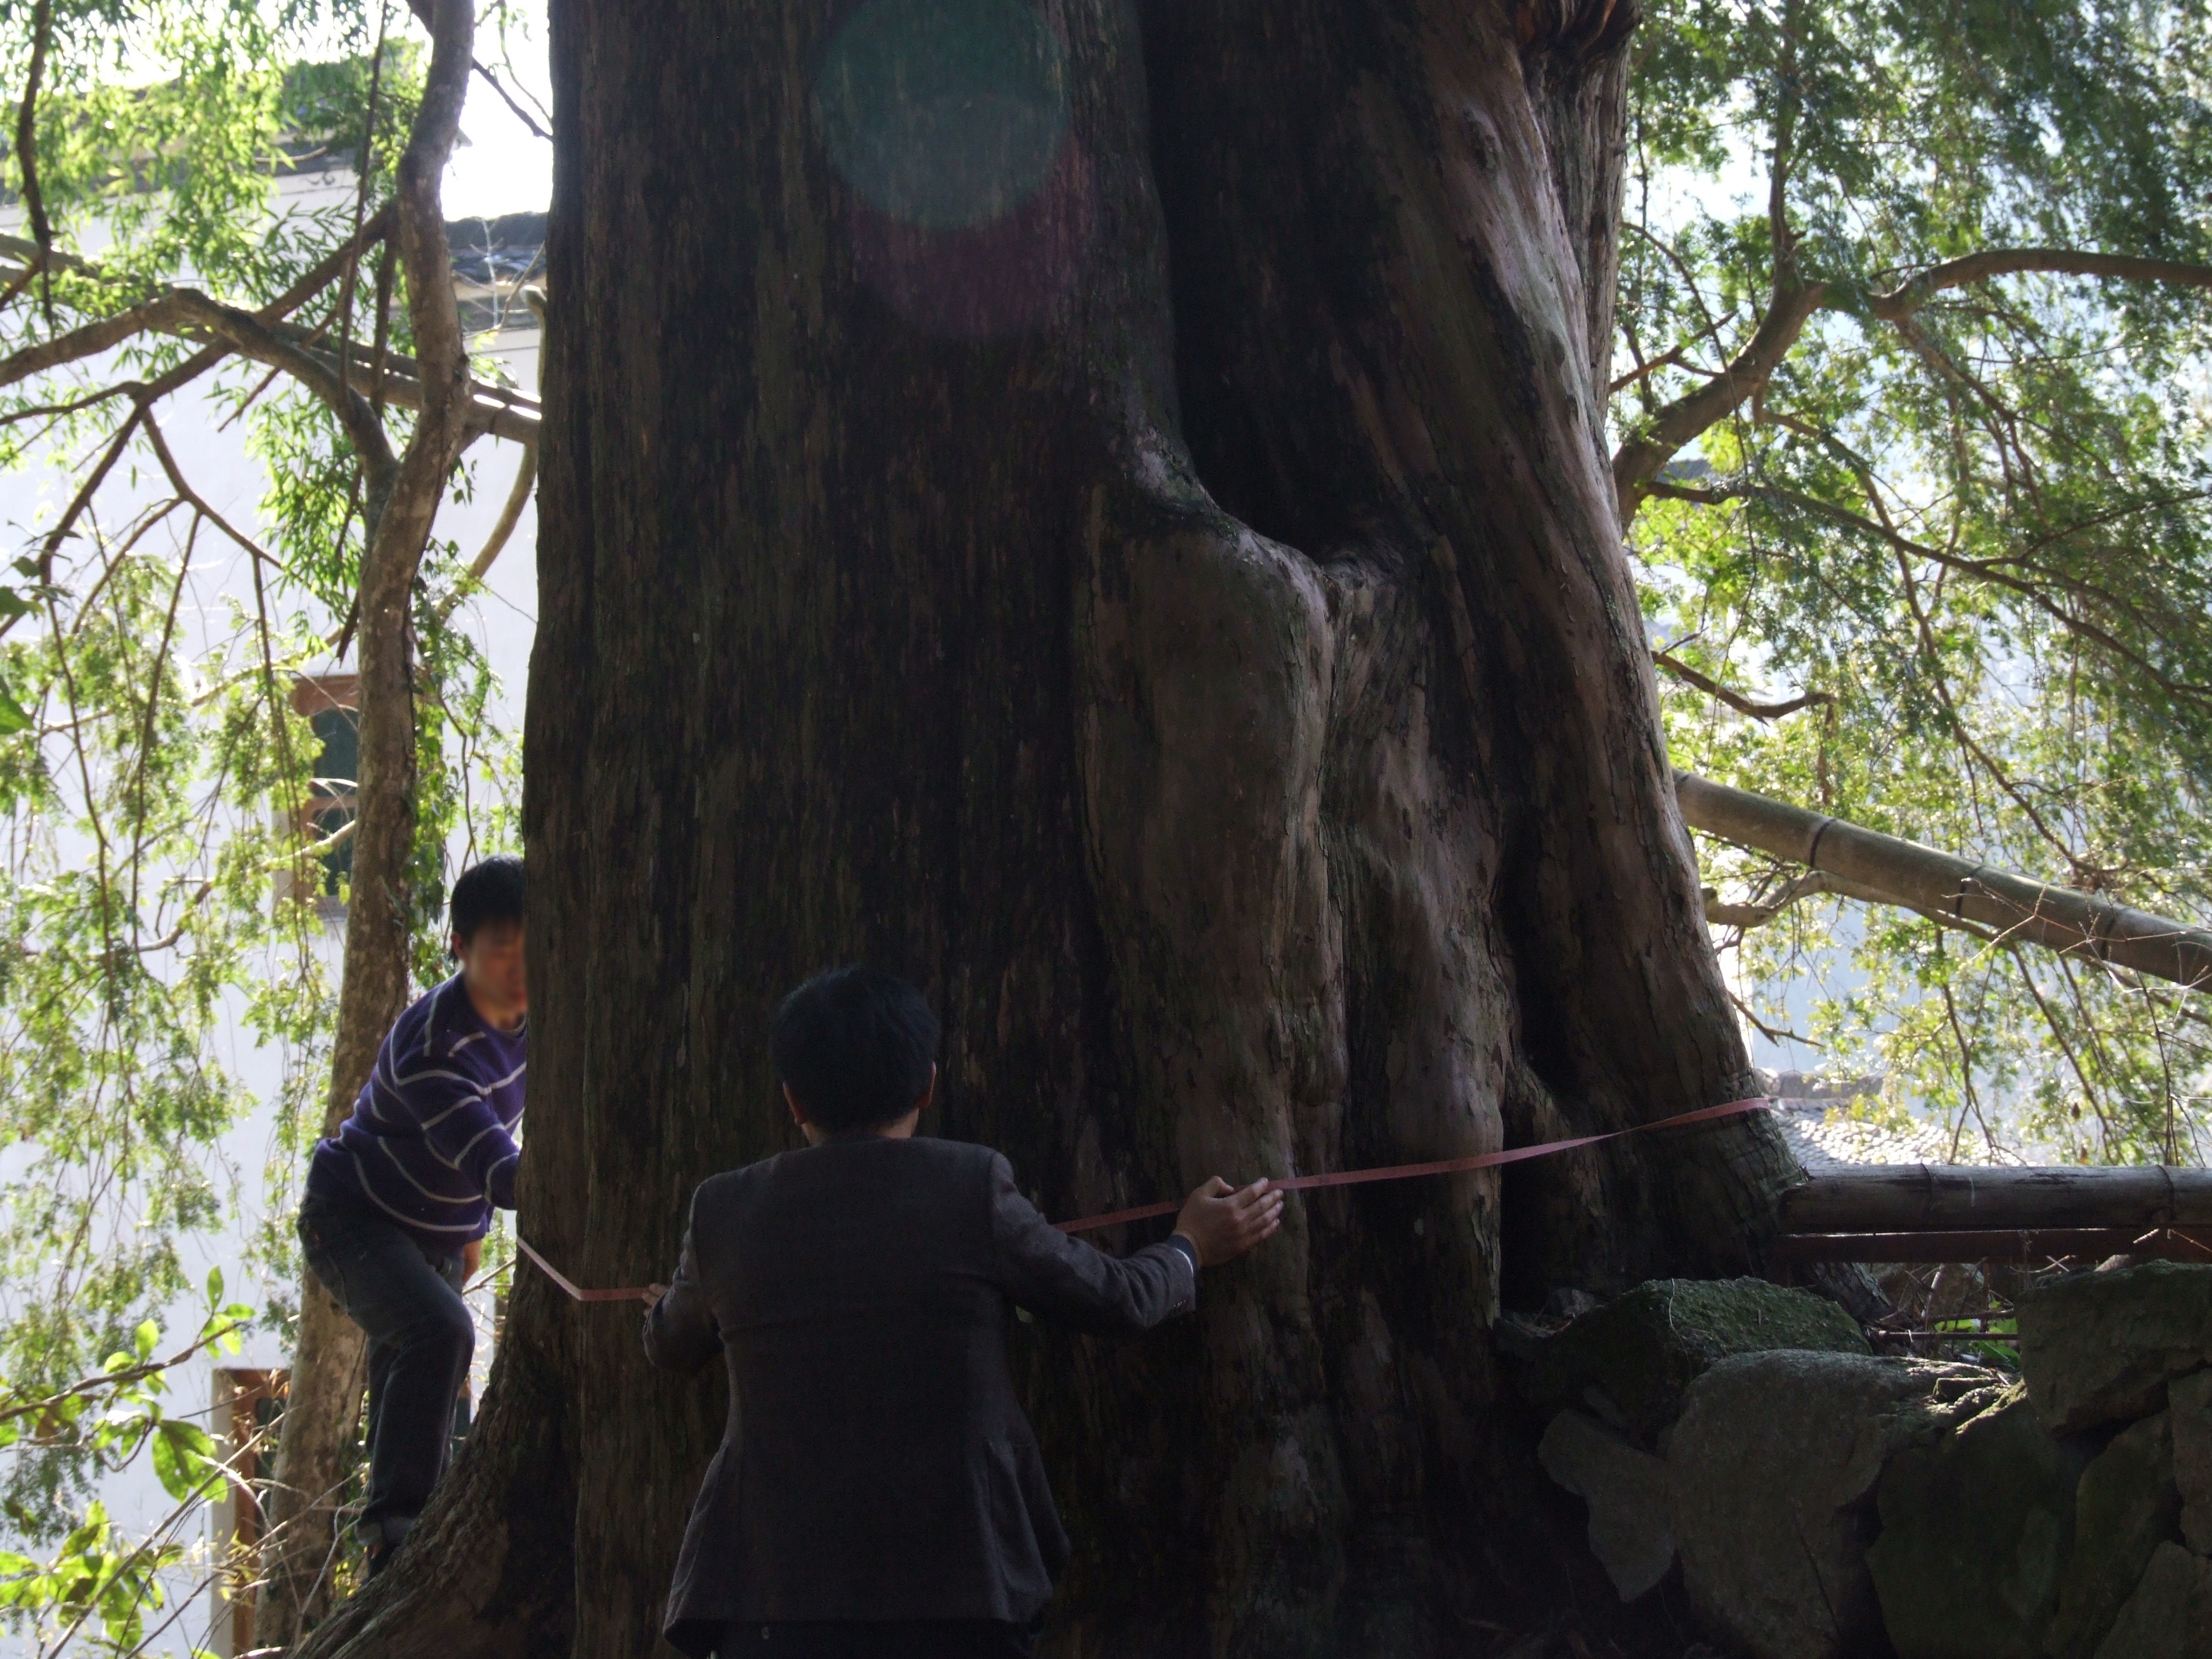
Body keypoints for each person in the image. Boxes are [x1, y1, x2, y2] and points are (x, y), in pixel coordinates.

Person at [644, 965, 1284, 1659]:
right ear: (927, 1083)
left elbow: (673, 1345)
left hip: (772, 1595)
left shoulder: (723, 1210)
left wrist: (667, 1310)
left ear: (792, 1100)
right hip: (959, 1583)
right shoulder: (968, 1186)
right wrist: (1191, 1246)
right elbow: (1118, 1299)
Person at [297, 855, 528, 1577]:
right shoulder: (435, 1046)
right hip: (353, 1219)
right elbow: (506, 1173)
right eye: (500, 949)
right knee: (439, 1331)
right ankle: (398, 1533)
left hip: (432, 1231)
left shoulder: (541, 1016)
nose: (519, 969)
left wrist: (468, 1235)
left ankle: (387, 1553)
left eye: (533, 947)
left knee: (412, 1371)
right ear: (459, 948)